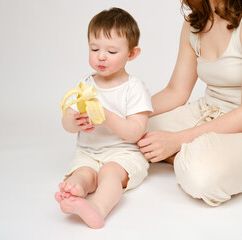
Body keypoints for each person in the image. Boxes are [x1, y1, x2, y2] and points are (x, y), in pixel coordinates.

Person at [138, 0, 242, 206]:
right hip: (209, 112)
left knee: (200, 175)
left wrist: (176, 141)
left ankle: (186, 155)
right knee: (134, 130)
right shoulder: (194, 23)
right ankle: (188, 153)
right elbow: (175, 91)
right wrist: (124, 113)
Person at [55, 7, 153, 228]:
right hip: (88, 152)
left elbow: (135, 131)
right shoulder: (86, 85)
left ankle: (98, 208)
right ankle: (75, 192)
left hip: (123, 154)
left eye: (111, 52)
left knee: (109, 173)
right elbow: (67, 119)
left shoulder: (134, 88)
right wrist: (72, 122)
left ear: (132, 54)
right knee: (83, 173)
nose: (101, 56)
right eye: (94, 48)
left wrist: (105, 116)